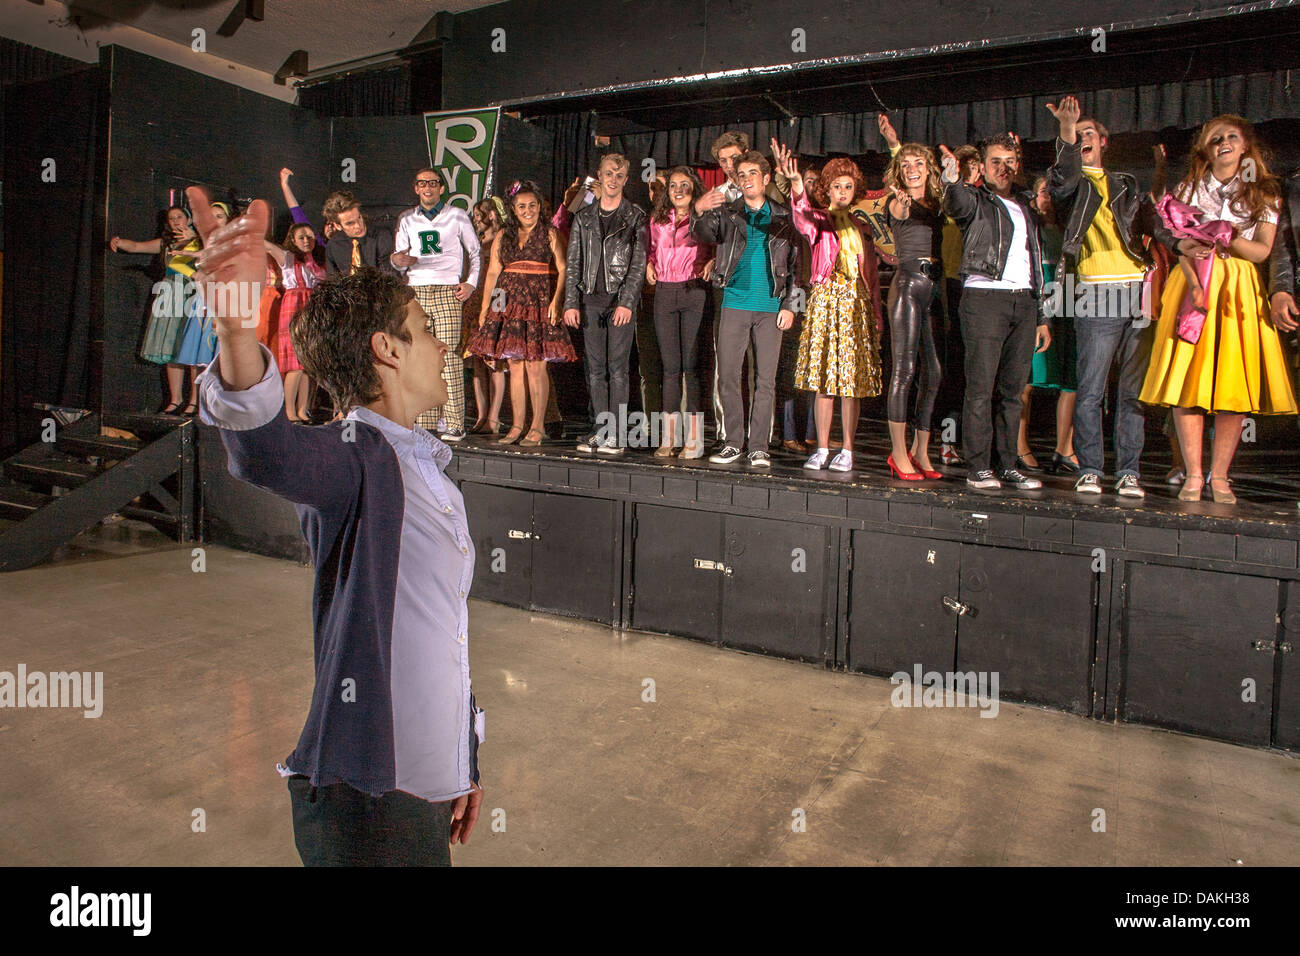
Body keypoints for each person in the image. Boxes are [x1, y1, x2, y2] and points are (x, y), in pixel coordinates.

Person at [191, 189, 483, 866]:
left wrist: (460, 757)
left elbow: (441, 632)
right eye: (426, 330)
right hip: (366, 800)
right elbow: (269, 452)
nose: (444, 344)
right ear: (387, 348)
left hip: (424, 785)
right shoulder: (356, 455)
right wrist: (238, 335)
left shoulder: (426, 467)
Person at [1046, 96, 1201, 500]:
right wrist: (1066, 131)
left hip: (1137, 292)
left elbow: (1153, 221)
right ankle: (1092, 468)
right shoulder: (1073, 185)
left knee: (1131, 391)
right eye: (1078, 135)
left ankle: (1128, 471)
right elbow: (1061, 179)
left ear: (1104, 141)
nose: (1083, 139)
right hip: (1096, 295)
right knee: (1091, 388)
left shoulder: (1126, 183)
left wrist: (1182, 246)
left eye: (1089, 134)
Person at [1140, 114, 1294, 504]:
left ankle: (1221, 476)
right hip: (1194, 284)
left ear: (1244, 146)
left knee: (1231, 384)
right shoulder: (1189, 187)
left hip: (1237, 289)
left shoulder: (1264, 191)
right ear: (1204, 150)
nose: (1223, 142)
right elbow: (1175, 235)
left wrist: (1227, 235)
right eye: (1214, 139)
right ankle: (1193, 473)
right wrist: (1193, 282)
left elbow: (1262, 250)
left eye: (1230, 137)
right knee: (1188, 382)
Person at [940, 134, 1052, 491]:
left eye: (1009, 162)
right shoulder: (976, 199)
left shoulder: (1026, 205)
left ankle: (1007, 464)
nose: (1003, 169)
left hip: (1025, 301)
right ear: (982, 168)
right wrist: (952, 180)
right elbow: (956, 203)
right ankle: (978, 466)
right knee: (980, 387)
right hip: (985, 297)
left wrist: (1043, 316)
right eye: (995, 162)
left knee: (1013, 390)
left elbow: (1036, 262)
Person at [773, 146, 882, 473]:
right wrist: (795, 186)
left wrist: (876, 315)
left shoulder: (862, 227)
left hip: (855, 304)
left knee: (851, 382)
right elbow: (801, 215)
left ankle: (847, 448)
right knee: (823, 381)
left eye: (848, 186)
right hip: (824, 301)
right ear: (828, 189)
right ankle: (821, 446)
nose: (843, 192)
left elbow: (872, 277)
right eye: (837, 186)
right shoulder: (819, 220)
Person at [691, 150, 800, 467]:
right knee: (727, 376)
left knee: (765, 381)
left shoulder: (783, 216)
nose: (748, 179)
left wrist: (791, 306)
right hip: (734, 304)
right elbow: (700, 233)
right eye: (743, 174)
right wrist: (698, 209)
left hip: (770, 308)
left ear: (766, 179)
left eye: (754, 173)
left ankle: (759, 447)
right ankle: (733, 442)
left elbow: (797, 267)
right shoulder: (728, 213)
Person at [469, 180, 575, 446]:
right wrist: (487, 310)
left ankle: (537, 427)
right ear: (513, 209)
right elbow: (494, 272)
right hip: (508, 302)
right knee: (514, 366)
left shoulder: (549, 233)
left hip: (538, 302)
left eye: (532, 205)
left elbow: (563, 269)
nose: (527, 211)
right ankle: (517, 426)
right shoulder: (504, 236)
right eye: (521, 206)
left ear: (540, 206)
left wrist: (556, 301)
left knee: (535, 366)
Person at [562, 154, 648, 455]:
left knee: (618, 369)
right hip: (590, 301)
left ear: (626, 179)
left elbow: (638, 265)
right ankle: (600, 430)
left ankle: (618, 433)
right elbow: (573, 262)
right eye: (609, 173)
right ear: (600, 175)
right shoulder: (584, 217)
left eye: (620, 174)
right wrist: (571, 302)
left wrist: (626, 302)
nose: (613, 179)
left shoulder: (635, 217)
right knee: (595, 369)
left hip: (619, 303)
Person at [391, 168, 482, 442]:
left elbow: (475, 252)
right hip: (415, 290)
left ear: (441, 188)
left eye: (433, 183)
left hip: (446, 289)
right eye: (422, 184)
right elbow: (397, 257)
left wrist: (471, 283)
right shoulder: (407, 218)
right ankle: (425, 420)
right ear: (416, 188)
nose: (428, 188)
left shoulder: (456, 215)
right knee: (418, 354)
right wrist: (399, 262)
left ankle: (455, 421)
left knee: (449, 353)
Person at [882, 142, 946, 479]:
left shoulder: (937, 202)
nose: (911, 168)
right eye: (905, 164)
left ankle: (921, 450)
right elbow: (904, 212)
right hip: (907, 284)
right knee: (904, 370)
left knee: (934, 372)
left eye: (918, 162)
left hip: (934, 286)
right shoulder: (898, 201)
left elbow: (933, 212)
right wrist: (904, 204)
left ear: (928, 166)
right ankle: (897, 452)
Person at [647, 166, 714, 458]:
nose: (678, 190)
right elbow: (650, 249)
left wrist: (712, 261)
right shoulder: (657, 220)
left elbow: (715, 245)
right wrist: (649, 263)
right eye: (673, 185)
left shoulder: (703, 219)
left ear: (694, 188)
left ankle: (694, 440)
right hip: (664, 292)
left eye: (684, 184)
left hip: (693, 291)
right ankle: (669, 438)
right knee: (670, 369)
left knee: (691, 367)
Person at [111, 205, 201, 414]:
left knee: (190, 348)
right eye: (171, 218)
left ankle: (194, 401)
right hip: (170, 292)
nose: (176, 221)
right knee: (170, 347)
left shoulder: (200, 239)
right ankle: (175, 399)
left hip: (192, 292)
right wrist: (118, 241)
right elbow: (135, 247)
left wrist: (196, 237)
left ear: (188, 219)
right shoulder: (166, 243)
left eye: (180, 217)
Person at [1016, 175, 1076, 475]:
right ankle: (1019, 446)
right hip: (1039, 300)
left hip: (1068, 301)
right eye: (1043, 192)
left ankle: (1065, 448)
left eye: (1054, 192)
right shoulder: (1029, 226)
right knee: (1028, 377)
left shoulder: (1068, 228)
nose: (1048, 197)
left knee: (1070, 378)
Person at [264, 222, 325, 423]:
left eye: (310, 237)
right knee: (295, 364)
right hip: (294, 305)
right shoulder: (288, 258)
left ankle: (303, 409)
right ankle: (288, 410)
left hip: (311, 307)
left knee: (307, 364)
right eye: (302, 237)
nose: (307, 241)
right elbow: (267, 246)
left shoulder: (316, 261)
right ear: (293, 240)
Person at [466, 197, 507, 435]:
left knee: (495, 362)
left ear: (491, 215)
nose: (476, 220)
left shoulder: (502, 239)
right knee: (476, 361)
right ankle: (481, 416)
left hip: (495, 302)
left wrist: (497, 307)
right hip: (475, 303)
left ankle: (494, 417)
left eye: (479, 214)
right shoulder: (478, 241)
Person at [324, 190, 396, 276]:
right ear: (337, 226)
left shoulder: (381, 236)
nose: (358, 225)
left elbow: (389, 277)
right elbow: (332, 280)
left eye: (359, 218)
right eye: (350, 223)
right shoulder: (333, 246)